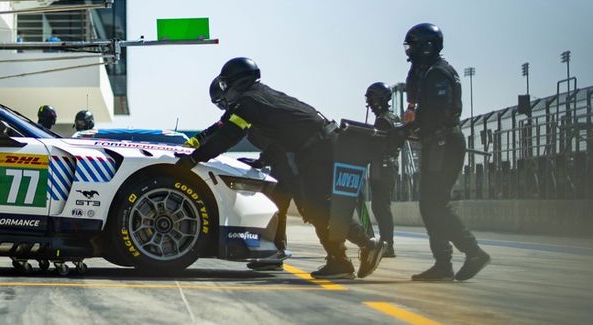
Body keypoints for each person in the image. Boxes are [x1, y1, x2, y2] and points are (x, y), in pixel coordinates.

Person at [177, 57, 384, 280]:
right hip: (318, 147)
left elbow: (228, 135)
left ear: (238, 81)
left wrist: (194, 159)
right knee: (316, 206)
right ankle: (339, 260)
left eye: (226, 85)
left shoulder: (250, 102)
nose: (225, 92)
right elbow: (221, 127)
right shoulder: (257, 96)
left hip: (318, 149)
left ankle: (366, 245)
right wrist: (195, 144)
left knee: (317, 207)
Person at [402, 23, 490, 281]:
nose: (409, 53)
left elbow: (437, 114)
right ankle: (443, 264)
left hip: (444, 143)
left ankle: (473, 252)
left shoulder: (438, 74)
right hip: (438, 143)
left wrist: (411, 127)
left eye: (413, 47)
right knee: (429, 205)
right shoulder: (428, 71)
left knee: (434, 203)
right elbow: (417, 99)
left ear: (427, 47)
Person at [187, 80, 292, 270]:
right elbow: (216, 128)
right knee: (279, 204)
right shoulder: (239, 110)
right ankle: (276, 253)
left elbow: (228, 135)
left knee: (308, 207)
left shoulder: (248, 107)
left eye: (221, 102)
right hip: (281, 159)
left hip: (293, 159)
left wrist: (197, 156)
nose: (223, 106)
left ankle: (353, 248)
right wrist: (192, 143)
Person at [365, 82, 400, 258]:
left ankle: (388, 245)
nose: (370, 105)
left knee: (381, 208)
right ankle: (387, 243)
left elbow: (374, 147)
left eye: (371, 100)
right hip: (390, 166)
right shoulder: (394, 117)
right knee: (382, 207)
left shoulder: (382, 120)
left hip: (382, 167)